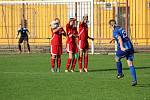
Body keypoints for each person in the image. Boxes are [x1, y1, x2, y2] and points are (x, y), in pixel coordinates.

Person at [109, 19, 137, 86]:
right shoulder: (120, 28)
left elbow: (119, 38)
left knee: (117, 58)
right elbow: (122, 36)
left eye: (109, 26)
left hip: (125, 47)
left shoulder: (114, 31)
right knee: (130, 64)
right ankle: (134, 80)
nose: (109, 27)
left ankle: (120, 74)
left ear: (112, 25)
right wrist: (113, 39)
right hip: (130, 47)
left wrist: (121, 47)